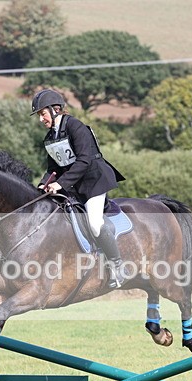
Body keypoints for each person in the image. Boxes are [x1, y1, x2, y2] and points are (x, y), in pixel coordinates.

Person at [31, 89, 127, 288]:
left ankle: (118, 266)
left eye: (43, 113)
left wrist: (61, 184)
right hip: (74, 184)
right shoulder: (50, 137)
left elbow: (84, 161)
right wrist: (44, 183)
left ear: (55, 110)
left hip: (94, 181)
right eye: (40, 115)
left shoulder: (76, 127)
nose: (41, 119)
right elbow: (53, 168)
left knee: (94, 222)